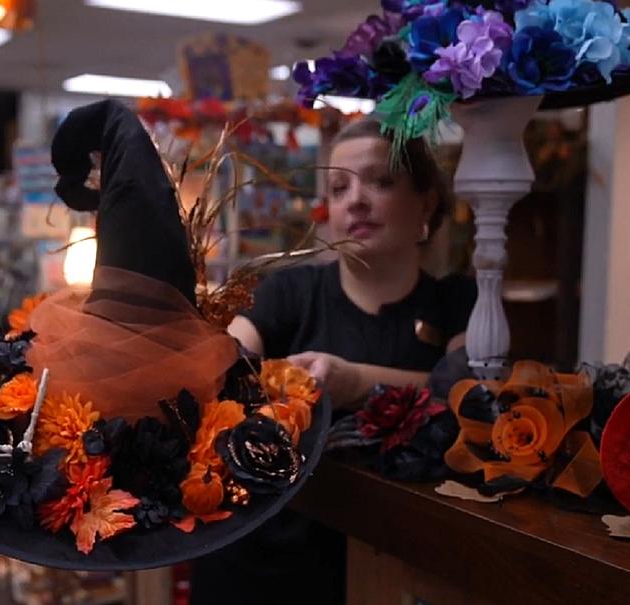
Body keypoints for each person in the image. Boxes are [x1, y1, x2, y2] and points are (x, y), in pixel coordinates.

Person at [189, 118, 477, 605]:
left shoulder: (458, 302)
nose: (356, 201)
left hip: (400, 562)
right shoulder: (288, 291)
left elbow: (470, 396)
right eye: (340, 188)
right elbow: (223, 370)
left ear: (426, 201)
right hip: (268, 557)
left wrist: (353, 381)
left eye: (381, 181)